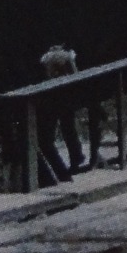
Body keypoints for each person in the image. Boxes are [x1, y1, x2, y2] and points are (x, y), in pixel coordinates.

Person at [37, 44, 81, 183]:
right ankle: (76, 157)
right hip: (66, 94)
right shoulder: (66, 56)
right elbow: (75, 75)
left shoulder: (45, 58)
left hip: (52, 95)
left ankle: (69, 162)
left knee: (57, 130)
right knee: (69, 128)